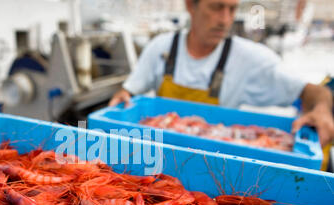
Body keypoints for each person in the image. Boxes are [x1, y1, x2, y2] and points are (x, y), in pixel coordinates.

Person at [108, 0, 334, 147]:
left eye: (232, 9)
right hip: (159, 150)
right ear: (191, 6)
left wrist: (322, 110)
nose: (225, 19)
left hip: (215, 158)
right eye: (217, 7)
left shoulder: (250, 58)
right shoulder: (161, 46)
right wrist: (122, 96)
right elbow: (129, 91)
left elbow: (313, 91)